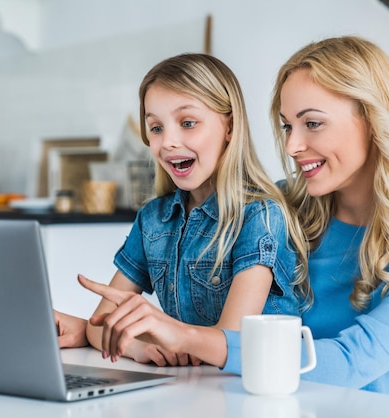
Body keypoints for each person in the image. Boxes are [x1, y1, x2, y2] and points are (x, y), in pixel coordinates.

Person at [78, 36, 389, 396]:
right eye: (287, 126)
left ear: (374, 121)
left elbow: (349, 364)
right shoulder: (270, 205)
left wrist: (183, 337)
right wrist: (92, 331)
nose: (292, 145)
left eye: (312, 123)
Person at [58, 53, 310, 367]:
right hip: (192, 388)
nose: (168, 142)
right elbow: (101, 325)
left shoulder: (260, 217)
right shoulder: (153, 220)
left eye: (187, 123)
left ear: (229, 126)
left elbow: (230, 343)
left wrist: (156, 329)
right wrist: (138, 347)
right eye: (156, 128)